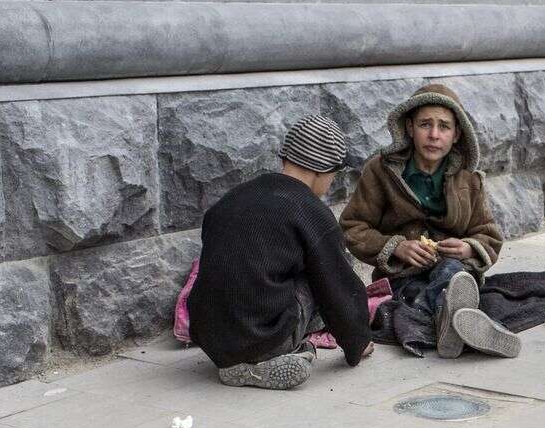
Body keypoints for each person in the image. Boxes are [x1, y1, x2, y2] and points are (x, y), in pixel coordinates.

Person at [188, 114, 374, 389]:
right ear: (322, 171)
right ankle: (271, 355)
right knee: (323, 268)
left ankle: (238, 365)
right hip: (263, 334)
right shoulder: (312, 212)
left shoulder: (233, 198)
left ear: (286, 156)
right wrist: (357, 343)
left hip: (210, 337)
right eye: (334, 176)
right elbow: (339, 288)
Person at [340, 84, 518, 359]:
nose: (434, 135)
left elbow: (489, 234)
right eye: (425, 124)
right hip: (402, 274)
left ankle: (442, 321)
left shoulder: (468, 179)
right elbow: (353, 227)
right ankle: (458, 324)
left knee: (451, 274)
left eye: (444, 127)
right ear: (409, 127)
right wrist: (396, 246)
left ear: (457, 134)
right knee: (410, 294)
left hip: (452, 271)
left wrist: (468, 248)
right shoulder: (381, 171)